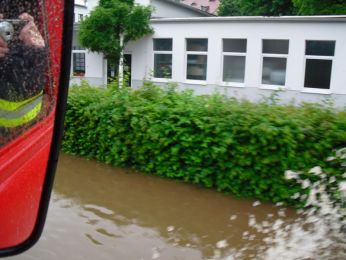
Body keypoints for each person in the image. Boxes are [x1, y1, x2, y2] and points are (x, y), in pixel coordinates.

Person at [0, 1, 47, 146]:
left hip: (30, 133)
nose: (8, 30)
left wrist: (36, 49)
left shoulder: (29, 49)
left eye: (14, 24)